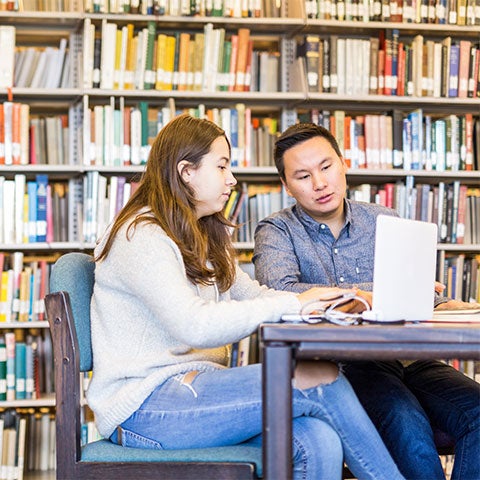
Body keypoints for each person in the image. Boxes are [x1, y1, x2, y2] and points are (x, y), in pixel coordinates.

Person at [87, 114, 406, 480]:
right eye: (221, 166)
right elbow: (195, 325)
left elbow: (254, 295)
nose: (232, 179)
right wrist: (294, 303)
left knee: (320, 440)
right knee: (321, 378)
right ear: (186, 172)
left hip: (194, 392)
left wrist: (325, 299)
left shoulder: (198, 235)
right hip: (146, 408)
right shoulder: (141, 235)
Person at [253, 122, 480, 480]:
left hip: (408, 358)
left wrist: (459, 307)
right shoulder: (277, 230)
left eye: (326, 167)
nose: (319, 183)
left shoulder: (382, 220)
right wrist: (370, 293)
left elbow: (424, 297)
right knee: (407, 427)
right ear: (286, 185)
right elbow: (281, 292)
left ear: (343, 164)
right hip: (342, 367)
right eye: (302, 175)